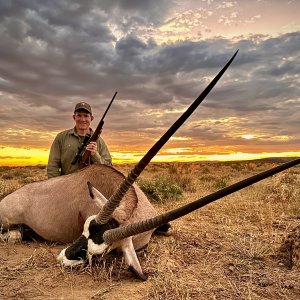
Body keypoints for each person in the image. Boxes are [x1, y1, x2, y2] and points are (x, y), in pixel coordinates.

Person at [47, 102, 112, 178]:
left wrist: (95, 155)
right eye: (79, 115)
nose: (82, 119)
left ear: (91, 118)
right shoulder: (61, 137)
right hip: (66, 186)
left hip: (91, 188)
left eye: (86, 116)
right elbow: (53, 166)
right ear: (74, 117)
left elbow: (109, 168)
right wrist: (56, 186)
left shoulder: (99, 142)